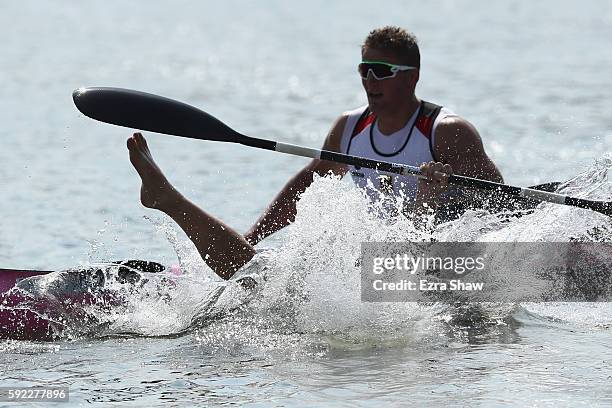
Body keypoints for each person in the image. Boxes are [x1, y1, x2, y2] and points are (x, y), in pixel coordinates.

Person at [127, 26, 502, 280]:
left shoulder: (448, 132)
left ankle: (169, 201)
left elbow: (501, 205)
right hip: (373, 261)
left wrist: (444, 193)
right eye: (364, 69)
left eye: (381, 71)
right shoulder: (350, 128)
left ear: (412, 77)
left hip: (439, 262)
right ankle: (169, 201)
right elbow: (306, 185)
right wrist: (255, 236)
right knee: (254, 277)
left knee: (263, 285)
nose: (369, 80)